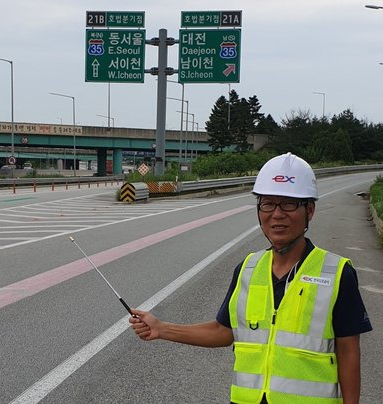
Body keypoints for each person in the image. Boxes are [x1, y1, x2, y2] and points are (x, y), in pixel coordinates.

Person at [129, 152, 372, 404]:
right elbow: (223, 332)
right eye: (268, 203)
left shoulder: (337, 272)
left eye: (289, 203)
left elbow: (348, 350)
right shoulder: (247, 268)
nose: (277, 214)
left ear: (309, 210)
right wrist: (162, 328)